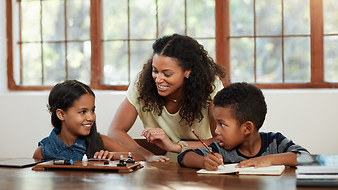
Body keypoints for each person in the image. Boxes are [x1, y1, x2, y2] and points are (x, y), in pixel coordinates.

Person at [108, 34, 226, 162]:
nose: (158, 79)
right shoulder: (142, 83)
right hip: (166, 163)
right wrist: (147, 156)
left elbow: (221, 139)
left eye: (167, 74)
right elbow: (115, 132)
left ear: (188, 71)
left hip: (203, 160)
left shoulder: (210, 87)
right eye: (155, 70)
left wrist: (176, 146)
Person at [177, 82, 310, 170]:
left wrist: (268, 160)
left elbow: (305, 156)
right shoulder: (220, 149)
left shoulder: (275, 142)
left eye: (222, 124)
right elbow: (184, 157)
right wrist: (203, 162)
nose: (216, 131)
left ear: (247, 128)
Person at [33, 80, 144, 161]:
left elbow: (141, 158)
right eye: (82, 112)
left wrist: (113, 155)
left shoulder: (101, 141)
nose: (91, 117)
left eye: (92, 110)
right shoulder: (42, 152)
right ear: (61, 114)